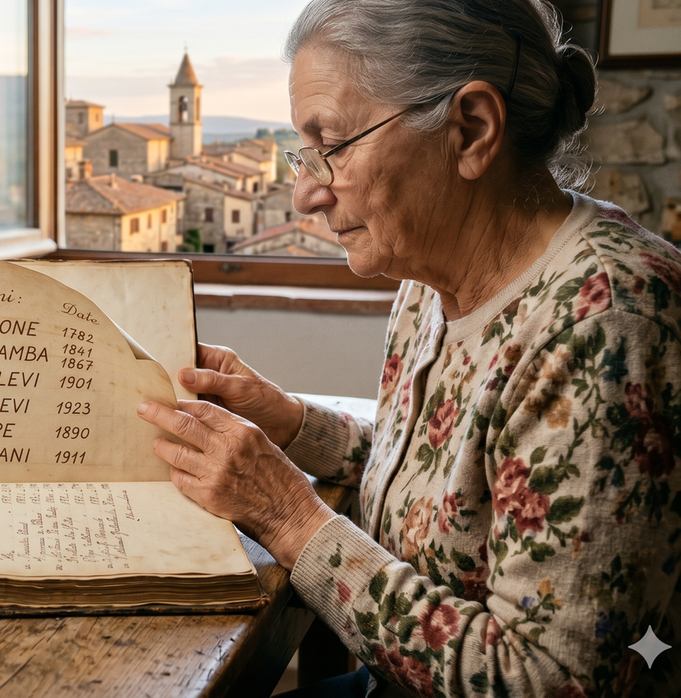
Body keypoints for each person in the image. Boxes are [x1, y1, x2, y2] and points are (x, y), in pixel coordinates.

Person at [136, 0, 681, 696]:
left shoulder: (605, 325)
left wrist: (287, 516)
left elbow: (546, 680)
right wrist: (290, 422)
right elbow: (444, 484)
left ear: (471, 130)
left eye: (330, 146)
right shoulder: (431, 274)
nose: (305, 194)